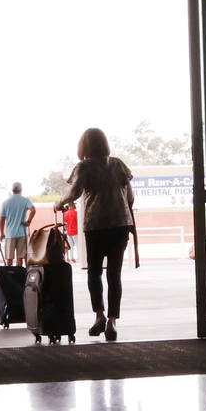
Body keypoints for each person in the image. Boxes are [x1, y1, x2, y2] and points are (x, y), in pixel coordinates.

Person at [55, 128, 135, 342]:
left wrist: (59, 204)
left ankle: (99, 315)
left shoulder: (84, 167)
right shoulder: (118, 164)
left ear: (84, 147)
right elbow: (130, 196)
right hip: (120, 224)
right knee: (114, 274)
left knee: (94, 272)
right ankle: (112, 321)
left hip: (96, 225)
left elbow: (75, 193)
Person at [0, 182, 34, 266]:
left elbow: (2, 220)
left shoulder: (5, 202)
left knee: (9, 259)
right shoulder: (26, 200)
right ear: (21, 190)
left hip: (10, 234)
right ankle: (19, 277)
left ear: (12, 190)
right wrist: (28, 221)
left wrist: (2, 233)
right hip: (22, 233)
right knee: (20, 259)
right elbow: (33, 210)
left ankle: (9, 277)